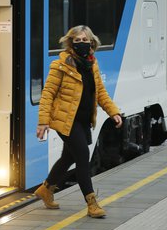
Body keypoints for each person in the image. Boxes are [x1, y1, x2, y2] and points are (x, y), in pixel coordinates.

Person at [34, 25, 123, 218]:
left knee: (69, 157)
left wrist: (113, 112)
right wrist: (43, 122)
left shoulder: (92, 64)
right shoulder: (60, 66)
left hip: (83, 121)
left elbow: (100, 92)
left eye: (85, 40)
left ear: (92, 43)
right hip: (65, 120)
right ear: (70, 43)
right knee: (83, 156)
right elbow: (48, 94)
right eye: (77, 41)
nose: (82, 44)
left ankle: (46, 189)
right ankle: (92, 203)